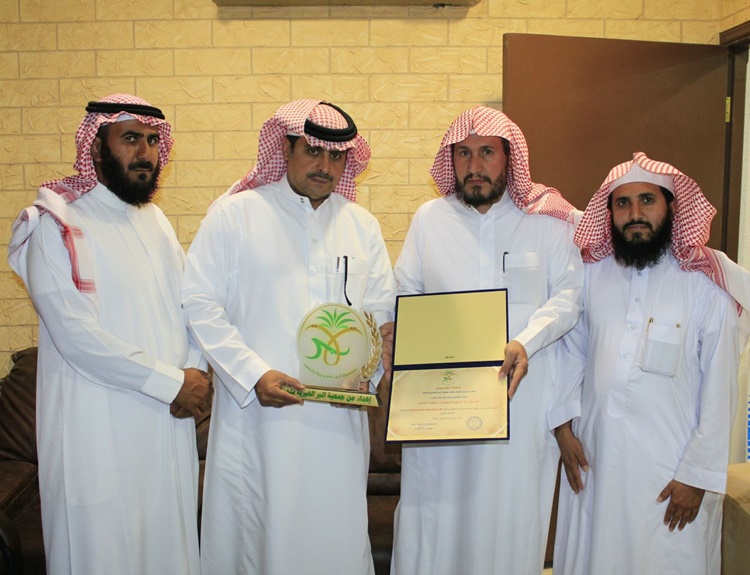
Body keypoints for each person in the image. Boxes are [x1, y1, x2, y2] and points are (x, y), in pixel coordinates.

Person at [182, 99, 397, 575]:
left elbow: (382, 311)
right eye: (313, 151)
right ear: (286, 149)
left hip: (339, 425)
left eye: (336, 156)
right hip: (260, 421)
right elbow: (199, 302)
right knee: (263, 541)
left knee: (334, 541)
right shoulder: (235, 215)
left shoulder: (361, 226)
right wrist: (252, 373)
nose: (325, 166)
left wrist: (371, 370)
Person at [7, 94, 211, 575]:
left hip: (166, 424)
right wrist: (172, 382)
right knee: (103, 553)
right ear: (96, 148)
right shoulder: (54, 225)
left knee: (168, 548)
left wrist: (195, 370)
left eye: (153, 141)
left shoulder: (155, 221)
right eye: (130, 139)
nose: (145, 152)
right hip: (96, 427)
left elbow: (189, 307)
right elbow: (76, 335)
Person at [391, 106, 583, 575]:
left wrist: (526, 340)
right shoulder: (430, 219)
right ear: (451, 159)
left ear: (509, 158)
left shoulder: (548, 221)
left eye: (487, 153)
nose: (474, 165)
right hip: (438, 407)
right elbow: (403, 297)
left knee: (509, 522)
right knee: (435, 522)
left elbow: (570, 297)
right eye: (463, 154)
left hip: (519, 401)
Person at [549, 152, 740, 575]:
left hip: (670, 477)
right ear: (610, 212)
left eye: (647, 200)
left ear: (671, 207)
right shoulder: (591, 275)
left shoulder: (706, 284)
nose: (635, 214)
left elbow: (721, 387)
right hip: (596, 462)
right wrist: (562, 427)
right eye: (623, 203)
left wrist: (697, 476)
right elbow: (571, 352)